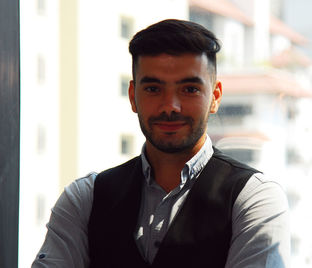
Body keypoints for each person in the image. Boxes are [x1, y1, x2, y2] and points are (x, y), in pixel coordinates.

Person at [32, 19, 290, 268]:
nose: (170, 107)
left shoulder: (253, 199)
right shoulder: (85, 199)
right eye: (153, 89)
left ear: (215, 97)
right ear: (133, 96)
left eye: (189, 89)